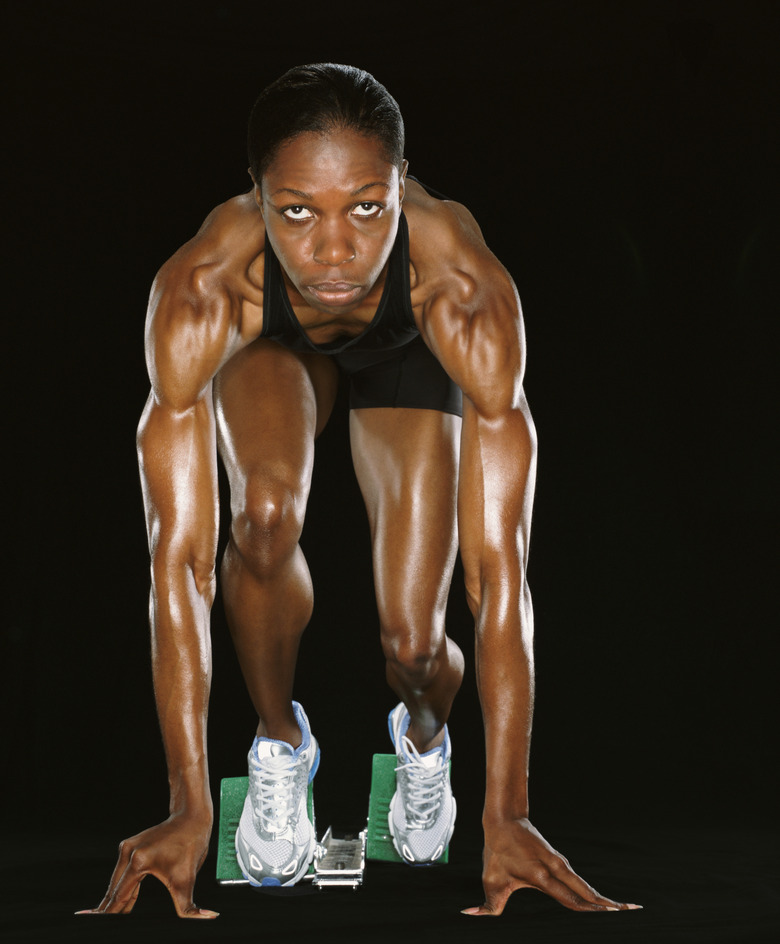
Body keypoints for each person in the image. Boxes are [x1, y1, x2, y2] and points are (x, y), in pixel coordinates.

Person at [82, 63, 640, 919]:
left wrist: (509, 814)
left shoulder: (463, 292)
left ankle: (420, 739)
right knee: (261, 519)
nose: (335, 251)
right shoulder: (202, 292)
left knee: (416, 644)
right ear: (257, 196)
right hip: (270, 346)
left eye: (367, 209)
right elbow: (179, 564)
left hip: (405, 349)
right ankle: (279, 744)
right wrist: (188, 801)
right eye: (298, 211)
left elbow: (500, 578)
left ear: (403, 188)